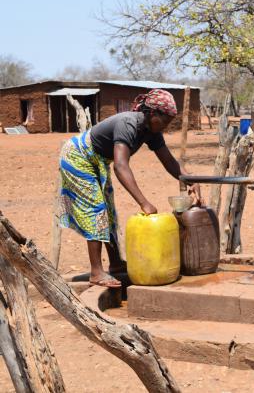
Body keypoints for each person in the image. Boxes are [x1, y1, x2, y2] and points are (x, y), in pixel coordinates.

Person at [57, 89, 200, 288]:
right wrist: (144, 202)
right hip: (78, 156)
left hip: (97, 161)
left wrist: (190, 179)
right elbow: (120, 165)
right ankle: (97, 272)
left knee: (109, 213)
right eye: (165, 121)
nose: (166, 126)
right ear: (152, 113)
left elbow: (168, 161)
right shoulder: (129, 124)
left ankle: (115, 263)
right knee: (95, 210)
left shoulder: (152, 131)